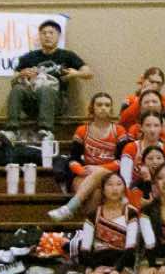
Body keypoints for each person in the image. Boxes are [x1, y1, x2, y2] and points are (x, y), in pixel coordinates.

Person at [73, 171, 151, 274]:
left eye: (119, 184)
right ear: (103, 190)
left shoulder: (131, 213)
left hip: (123, 264)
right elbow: (85, 249)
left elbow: (131, 248)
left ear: (124, 188)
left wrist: (116, 270)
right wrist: (95, 268)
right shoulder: (93, 214)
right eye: (110, 185)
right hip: (96, 263)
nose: (114, 188)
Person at [47, 92, 125, 222]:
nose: (103, 108)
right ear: (92, 107)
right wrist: (81, 170)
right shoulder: (82, 130)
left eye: (107, 105)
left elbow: (122, 160)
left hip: (111, 174)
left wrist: (99, 169)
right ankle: (87, 226)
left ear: (111, 109)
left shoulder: (119, 130)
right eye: (99, 105)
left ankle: (69, 208)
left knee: (99, 174)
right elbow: (73, 159)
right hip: (87, 173)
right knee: (96, 194)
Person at [6, 20, 90, 139]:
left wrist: (75, 74)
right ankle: (12, 130)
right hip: (32, 102)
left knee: (45, 88)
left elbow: (88, 73)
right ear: (39, 36)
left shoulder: (67, 55)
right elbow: (13, 79)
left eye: (51, 33)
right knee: (17, 88)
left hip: (56, 103)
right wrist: (20, 74)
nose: (47, 36)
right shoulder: (29, 57)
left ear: (58, 36)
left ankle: (46, 131)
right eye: (44, 33)